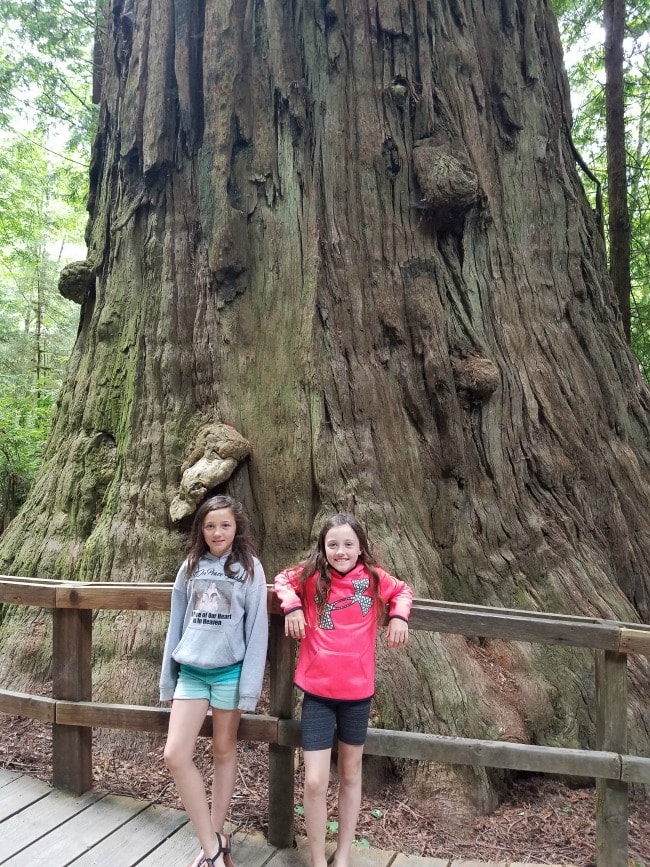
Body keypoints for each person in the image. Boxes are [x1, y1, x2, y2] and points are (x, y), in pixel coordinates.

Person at [274, 512, 413, 867]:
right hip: (317, 693)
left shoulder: (373, 579)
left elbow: (403, 590)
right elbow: (281, 579)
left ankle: (344, 854)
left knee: (351, 774)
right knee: (317, 780)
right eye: (333, 544)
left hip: (357, 694)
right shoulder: (310, 577)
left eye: (348, 544)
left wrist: (398, 616)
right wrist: (291, 607)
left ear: (360, 547)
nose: (340, 551)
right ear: (323, 547)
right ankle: (318, 859)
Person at [160, 495, 268, 867]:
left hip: (229, 675)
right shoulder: (191, 566)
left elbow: (257, 632)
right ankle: (212, 845)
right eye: (210, 526)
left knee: (223, 751)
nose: (217, 532)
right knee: (175, 754)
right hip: (191, 673)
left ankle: (217, 838)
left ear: (237, 527)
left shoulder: (249, 569)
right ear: (201, 530)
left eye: (224, 524)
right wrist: (167, 682)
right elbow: (175, 624)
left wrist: (250, 689)